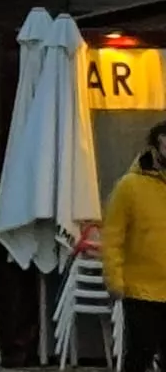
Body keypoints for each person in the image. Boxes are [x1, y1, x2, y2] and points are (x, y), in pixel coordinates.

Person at [103, 121, 166, 372]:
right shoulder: (130, 186)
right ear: (156, 145)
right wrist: (115, 280)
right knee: (139, 356)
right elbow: (113, 237)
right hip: (142, 291)